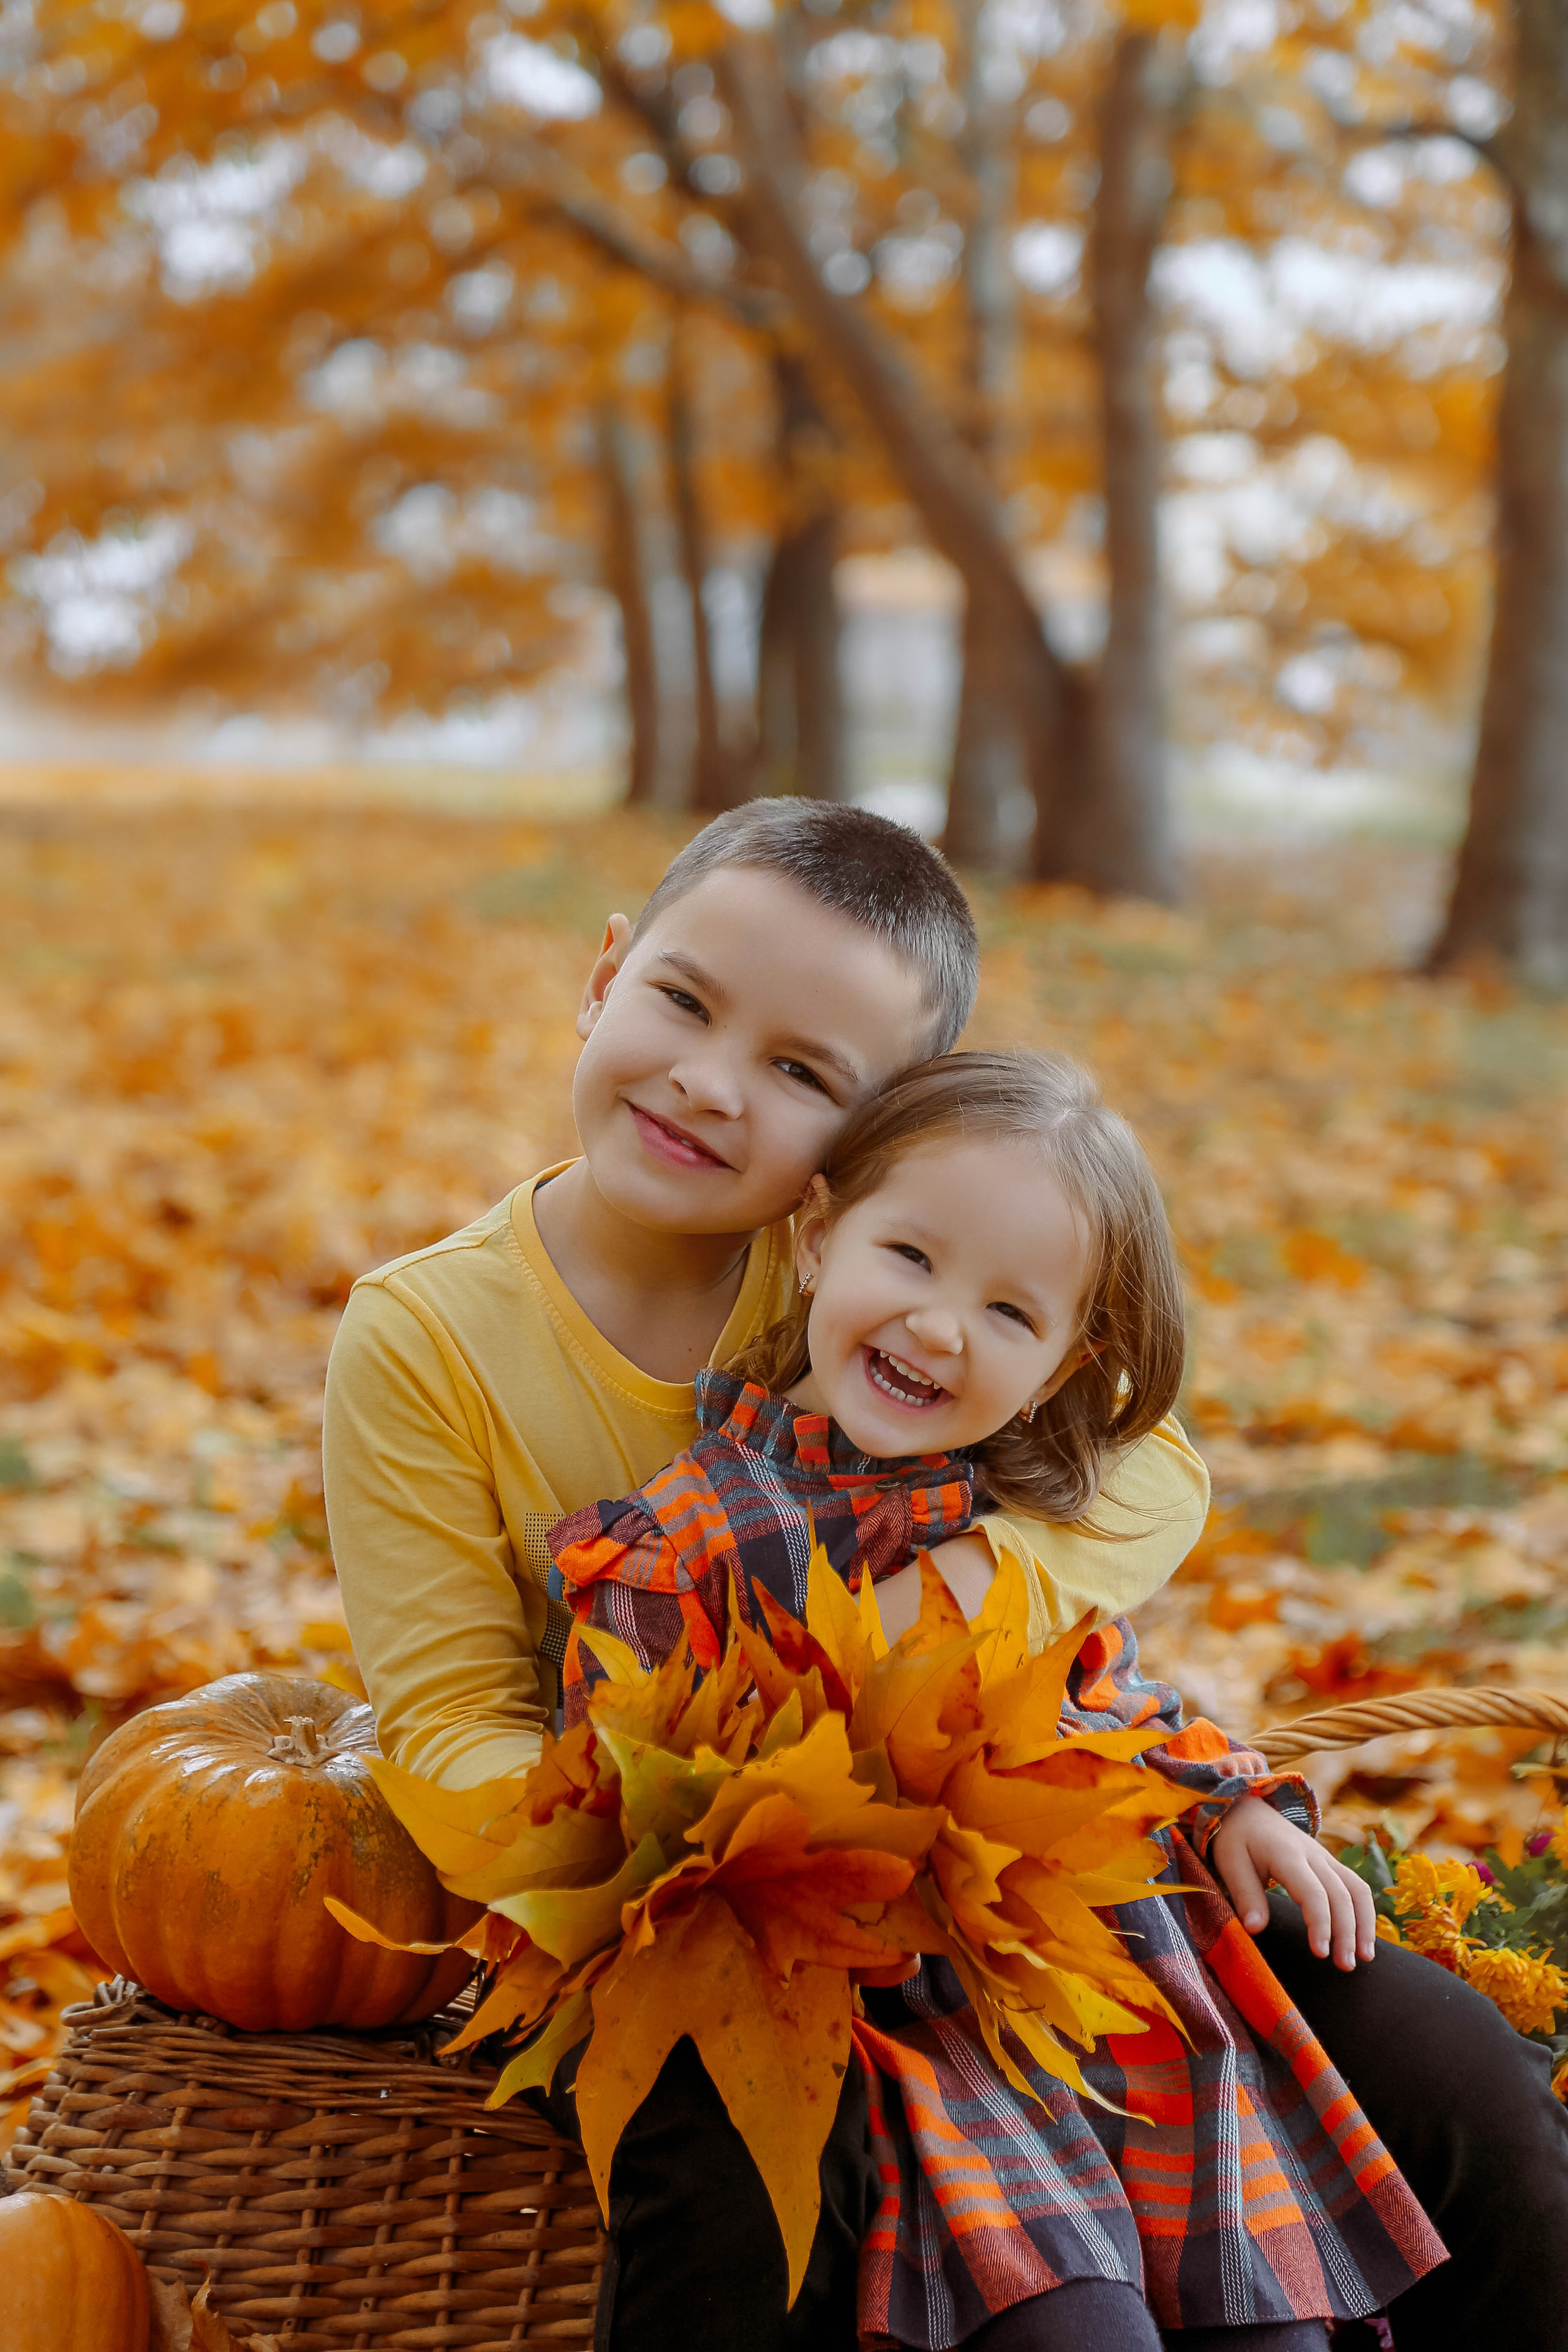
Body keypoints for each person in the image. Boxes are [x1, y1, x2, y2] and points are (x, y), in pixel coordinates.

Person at [323, 800, 1568, 2352]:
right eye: (682, 1001)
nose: (708, 1086)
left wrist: (959, 1607)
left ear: (871, 1135)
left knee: (1464, 2089)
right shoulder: (428, 1337)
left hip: (1009, 1854)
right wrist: (708, 1839)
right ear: (602, 977)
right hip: (679, 1890)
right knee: (740, 2180)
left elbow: (1150, 1471)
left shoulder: (886, 1273)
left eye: (797, 1073)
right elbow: (446, 1726)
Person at [548, 1048, 1444, 2352]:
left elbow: (1107, 1696)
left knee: (1274, 2335)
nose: (936, 1328)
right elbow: (623, 1822)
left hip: (1110, 2022)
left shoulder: (1011, 1525)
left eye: (1009, 1316)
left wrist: (1227, 1800)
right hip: (914, 2040)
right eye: (907, 1258)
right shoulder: (673, 1551)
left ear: (1062, 1362)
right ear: (815, 1237)